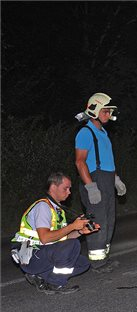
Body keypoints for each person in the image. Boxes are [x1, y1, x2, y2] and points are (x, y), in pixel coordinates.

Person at [12, 172, 97, 294]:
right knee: (73, 245)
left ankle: (40, 277)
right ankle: (55, 283)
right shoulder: (43, 207)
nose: (69, 192)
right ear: (53, 187)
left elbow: (61, 237)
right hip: (31, 255)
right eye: (65, 188)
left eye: (70, 189)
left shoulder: (57, 210)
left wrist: (80, 231)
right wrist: (72, 226)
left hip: (42, 252)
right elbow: (45, 238)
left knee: (83, 264)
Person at [75, 92, 127, 273]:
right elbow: (80, 162)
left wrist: (116, 180)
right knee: (98, 223)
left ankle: (103, 258)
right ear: (95, 110)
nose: (108, 114)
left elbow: (107, 161)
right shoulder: (85, 132)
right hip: (94, 181)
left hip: (106, 180)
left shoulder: (103, 132)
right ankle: (97, 263)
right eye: (105, 111)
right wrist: (91, 187)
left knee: (109, 221)